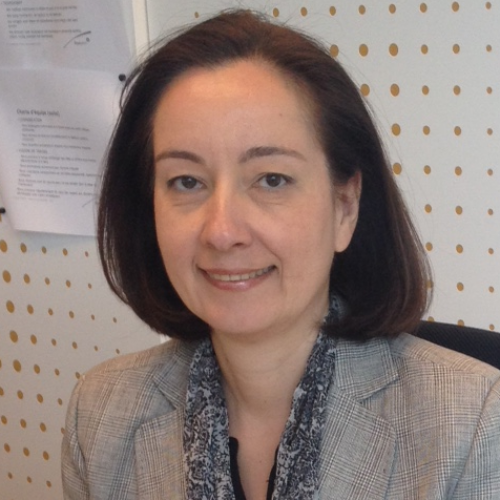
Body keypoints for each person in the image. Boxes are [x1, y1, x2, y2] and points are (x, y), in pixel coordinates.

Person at [61, 10, 500, 500]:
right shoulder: (100, 415)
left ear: (345, 207)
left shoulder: (472, 426)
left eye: (271, 180)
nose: (222, 231)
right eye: (186, 182)